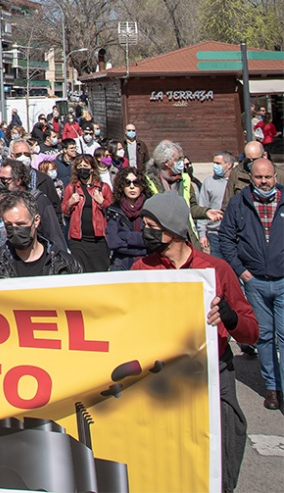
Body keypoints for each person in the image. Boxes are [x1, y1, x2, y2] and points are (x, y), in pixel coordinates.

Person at [131, 191, 258, 492]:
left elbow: (252, 332)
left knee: (226, 436)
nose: (144, 231)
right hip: (166, 375)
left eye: (151, 225)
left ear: (172, 229)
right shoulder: (141, 269)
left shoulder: (216, 270)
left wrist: (230, 317)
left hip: (214, 371)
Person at [219, 158, 284, 411]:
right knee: (264, 336)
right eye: (259, 177)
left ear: (275, 177)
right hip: (255, 281)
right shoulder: (239, 203)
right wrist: (241, 271)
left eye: (268, 177)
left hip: (282, 280)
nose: (264, 182)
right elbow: (226, 238)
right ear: (251, 178)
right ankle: (272, 388)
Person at [0, 191, 83, 281]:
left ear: (36, 221)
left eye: (21, 224)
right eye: (9, 225)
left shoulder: (65, 265)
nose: (15, 230)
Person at [145, 140, 221, 249]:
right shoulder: (149, 182)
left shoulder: (185, 179)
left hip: (185, 237)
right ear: (166, 162)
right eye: (178, 159)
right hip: (162, 239)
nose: (182, 162)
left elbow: (190, 207)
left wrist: (206, 212)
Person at [0, 159, 69, 252]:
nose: (1, 183)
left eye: (5, 180)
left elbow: (54, 234)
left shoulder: (39, 200)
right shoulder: (0, 200)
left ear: (18, 180)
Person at [62, 155, 113, 272]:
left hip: (99, 239)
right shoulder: (72, 188)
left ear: (92, 168)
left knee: (100, 272)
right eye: (79, 166)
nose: (82, 169)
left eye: (85, 166)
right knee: (80, 271)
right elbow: (64, 212)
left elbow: (113, 211)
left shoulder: (103, 188)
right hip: (78, 239)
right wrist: (70, 203)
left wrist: (102, 202)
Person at [105, 167, 149, 270]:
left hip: (147, 263)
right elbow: (113, 242)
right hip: (121, 264)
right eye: (127, 183)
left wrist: (125, 236)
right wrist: (142, 246)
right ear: (122, 186)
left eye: (136, 183)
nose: (132, 187)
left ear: (142, 186)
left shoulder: (150, 208)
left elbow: (152, 240)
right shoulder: (113, 210)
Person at [221, 141, 284, 212]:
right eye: (248, 160)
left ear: (264, 155)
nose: (252, 163)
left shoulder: (280, 174)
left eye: (255, 159)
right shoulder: (237, 173)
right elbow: (227, 205)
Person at [197, 151, 234, 259]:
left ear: (229, 165)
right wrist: (202, 234)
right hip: (215, 234)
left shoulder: (236, 182)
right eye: (214, 163)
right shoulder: (208, 182)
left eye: (218, 163)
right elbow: (203, 207)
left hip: (234, 234)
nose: (215, 166)